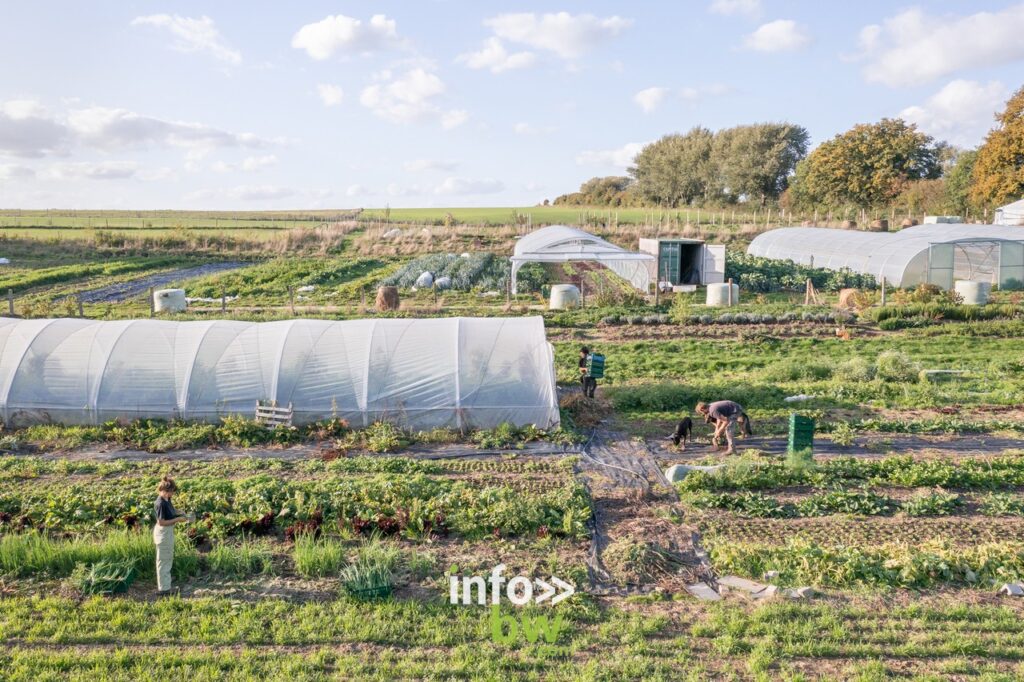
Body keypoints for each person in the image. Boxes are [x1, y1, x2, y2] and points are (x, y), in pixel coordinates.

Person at [153, 475, 192, 596]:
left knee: (168, 557)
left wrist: (179, 512)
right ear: (165, 491)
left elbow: (171, 511)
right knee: (163, 560)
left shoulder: (166, 499)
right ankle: (164, 589)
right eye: (171, 492)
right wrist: (178, 520)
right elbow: (161, 522)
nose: (173, 494)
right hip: (163, 532)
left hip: (168, 532)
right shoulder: (160, 503)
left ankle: (166, 583)